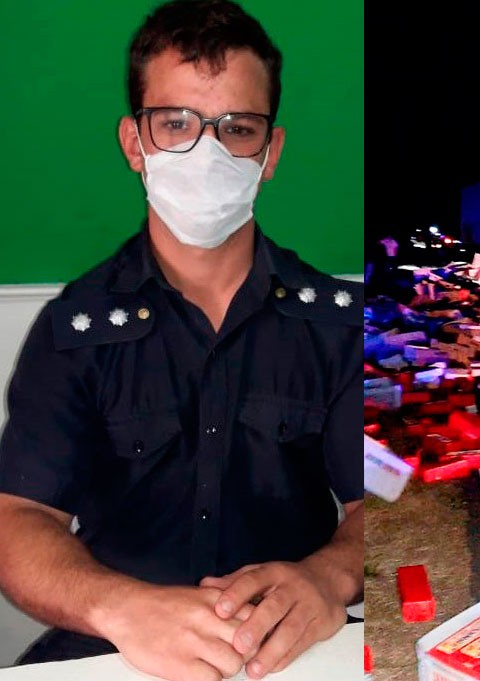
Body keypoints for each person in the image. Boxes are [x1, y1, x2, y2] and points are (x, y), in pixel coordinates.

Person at [0, 2, 363, 680]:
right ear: (134, 142)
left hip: (299, 647)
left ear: (271, 152)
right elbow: (17, 516)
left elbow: (385, 502)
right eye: (175, 124)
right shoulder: (72, 330)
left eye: (238, 128)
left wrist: (331, 576)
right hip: (118, 645)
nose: (207, 153)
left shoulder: (341, 327)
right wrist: (121, 607)